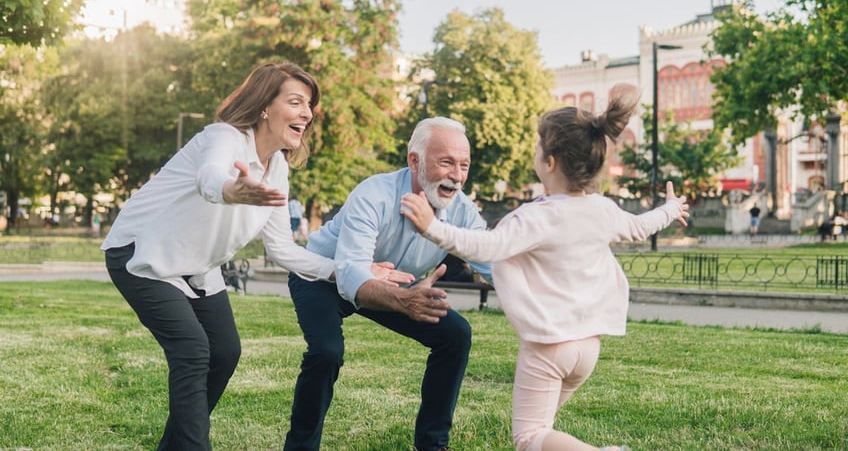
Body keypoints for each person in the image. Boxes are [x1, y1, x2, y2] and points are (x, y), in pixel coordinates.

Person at [101, 62, 408, 450]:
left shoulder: (276, 167)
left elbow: (282, 248)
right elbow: (209, 176)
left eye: (309, 105)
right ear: (265, 106)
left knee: (225, 352)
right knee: (194, 350)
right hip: (140, 252)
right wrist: (230, 189)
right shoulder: (224, 137)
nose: (307, 113)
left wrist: (356, 272)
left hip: (195, 266)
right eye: (295, 102)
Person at [401, 95, 689, 451]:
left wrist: (433, 227)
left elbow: (485, 247)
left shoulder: (536, 218)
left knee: (530, 437)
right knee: (545, 436)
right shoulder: (603, 209)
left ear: (549, 162)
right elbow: (641, 226)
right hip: (588, 349)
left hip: (549, 347)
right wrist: (671, 207)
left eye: (538, 146)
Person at [284, 116, 493, 451]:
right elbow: (352, 274)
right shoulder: (374, 194)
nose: (457, 175)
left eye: (464, 165)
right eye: (446, 163)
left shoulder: (461, 209)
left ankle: (432, 445)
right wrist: (404, 300)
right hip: (323, 275)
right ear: (415, 160)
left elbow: (493, 262)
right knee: (326, 352)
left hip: (390, 286)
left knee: (455, 334)